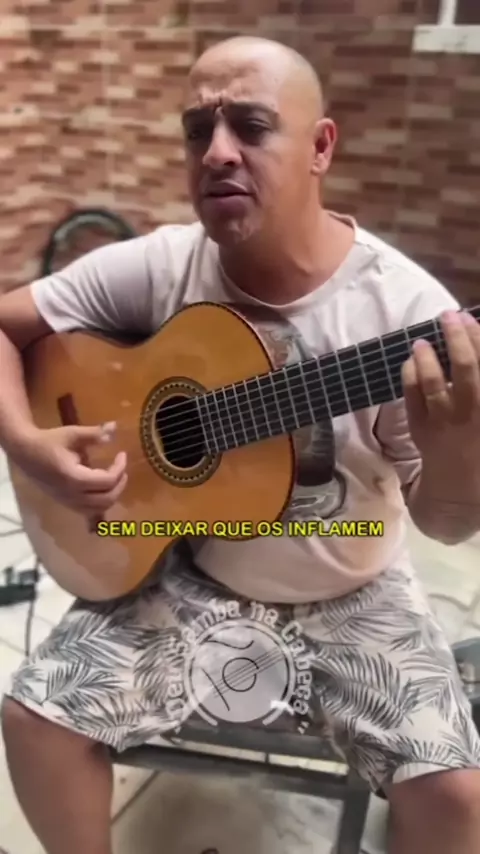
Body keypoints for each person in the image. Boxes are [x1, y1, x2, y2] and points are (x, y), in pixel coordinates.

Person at [1, 34, 480, 854]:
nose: (217, 152)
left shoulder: (405, 313)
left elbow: (446, 522)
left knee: (458, 796)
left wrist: (462, 452)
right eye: (198, 130)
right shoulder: (164, 264)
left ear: (320, 147)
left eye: (251, 126)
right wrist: (25, 441)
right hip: (186, 571)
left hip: (352, 588)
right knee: (32, 721)